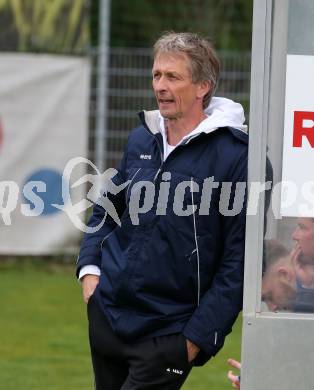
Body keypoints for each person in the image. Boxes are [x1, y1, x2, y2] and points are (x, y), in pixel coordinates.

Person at [77, 32, 248, 389]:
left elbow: (239, 261)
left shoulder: (236, 156)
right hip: (108, 317)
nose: (161, 86)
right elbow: (106, 207)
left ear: (203, 86)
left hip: (169, 336)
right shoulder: (142, 138)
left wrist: (196, 340)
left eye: (173, 77)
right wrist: (90, 272)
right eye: (157, 75)